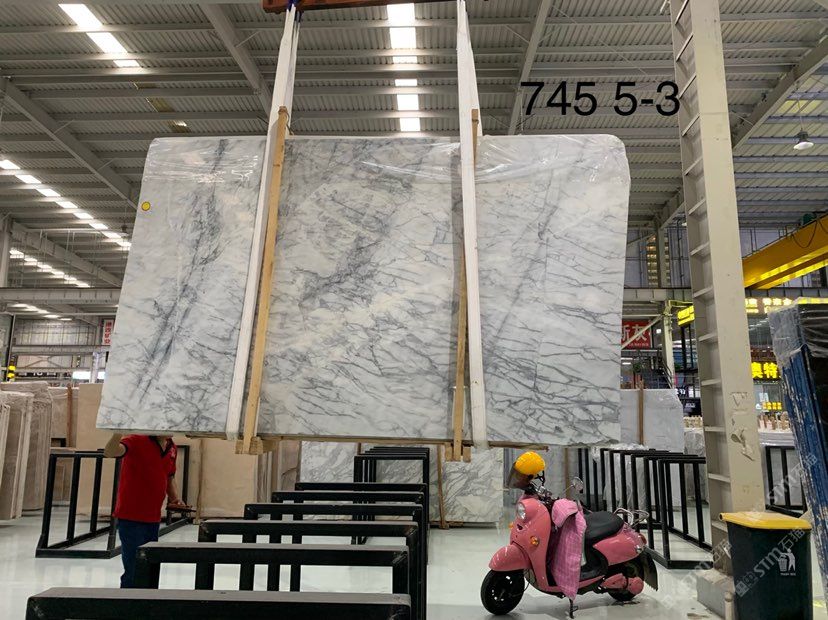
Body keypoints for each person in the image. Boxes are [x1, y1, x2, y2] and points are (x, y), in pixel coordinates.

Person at [104, 433, 189, 588]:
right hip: (131, 517)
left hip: (153, 517)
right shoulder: (136, 440)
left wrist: (175, 498)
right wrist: (117, 431)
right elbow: (110, 452)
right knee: (134, 567)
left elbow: (169, 477)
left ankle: (149, 598)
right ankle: (130, 600)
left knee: (150, 564)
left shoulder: (171, 447)